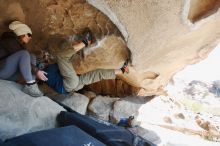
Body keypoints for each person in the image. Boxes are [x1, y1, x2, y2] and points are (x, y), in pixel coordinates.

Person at [40, 29, 129, 94]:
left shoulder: (48, 73)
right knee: (61, 57)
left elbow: (65, 64)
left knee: (98, 74)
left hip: (75, 86)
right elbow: (62, 60)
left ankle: (122, 70)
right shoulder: (47, 71)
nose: (46, 60)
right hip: (69, 84)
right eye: (45, 60)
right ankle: (85, 42)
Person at [0, 21, 47, 97]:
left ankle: (32, 84)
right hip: (2, 72)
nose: (30, 37)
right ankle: (30, 84)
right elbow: (22, 55)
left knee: (31, 56)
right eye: (28, 35)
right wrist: (37, 71)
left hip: (9, 75)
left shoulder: (19, 45)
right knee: (24, 54)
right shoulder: (8, 40)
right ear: (21, 33)